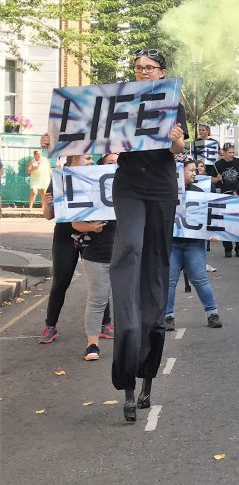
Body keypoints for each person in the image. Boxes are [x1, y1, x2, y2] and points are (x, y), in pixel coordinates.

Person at [46, 48, 187, 423]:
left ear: (162, 72)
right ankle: (124, 335)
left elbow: (178, 148)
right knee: (128, 253)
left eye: (149, 67)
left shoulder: (173, 102)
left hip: (161, 188)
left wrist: (175, 140)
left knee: (155, 264)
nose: (142, 71)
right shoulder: (120, 101)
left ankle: (146, 381)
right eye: (138, 67)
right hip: (128, 186)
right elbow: (88, 138)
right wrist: (57, 142)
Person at [39, 155, 113, 344]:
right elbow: (48, 215)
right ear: (72, 160)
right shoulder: (60, 178)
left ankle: (105, 324)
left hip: (92, 234)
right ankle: (50, 326)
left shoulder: (97, 177)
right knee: (61, 281)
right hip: (65, 237)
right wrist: (47, 205)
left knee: (99, 282)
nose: (90, 161)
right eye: (87, 158)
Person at [165, 158, 223, 332]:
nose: (194, 173)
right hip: (171, 244)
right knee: (169, 282)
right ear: (178, 171)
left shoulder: (198, 191)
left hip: (194, 244)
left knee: (200, 280)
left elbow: (207, 216)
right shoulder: (166, 191)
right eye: (191, 170)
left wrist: (212, 232)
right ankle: (168, 316)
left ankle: (212, 313)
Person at [74, 153, 119, 361]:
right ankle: (92, 345)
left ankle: (131, 342)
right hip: (97, 255)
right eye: (110, 162)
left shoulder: (131, 191)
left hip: (125, 256)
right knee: (97, 300)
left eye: (119, 161)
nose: (115, 165)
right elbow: (75, 224)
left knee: (129, 300)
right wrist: (91, 227)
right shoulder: (90, 191)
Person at [212, 143, 239, 258]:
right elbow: (212, 180)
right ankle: (227, 248)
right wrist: (217, 179)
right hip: (224, 195)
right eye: (230, 152)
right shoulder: (217, 165)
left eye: (233, 152)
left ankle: (238, 247)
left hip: (237, 195)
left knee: (238, 222)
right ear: (224, 152)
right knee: (225, 223)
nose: (232, 155)